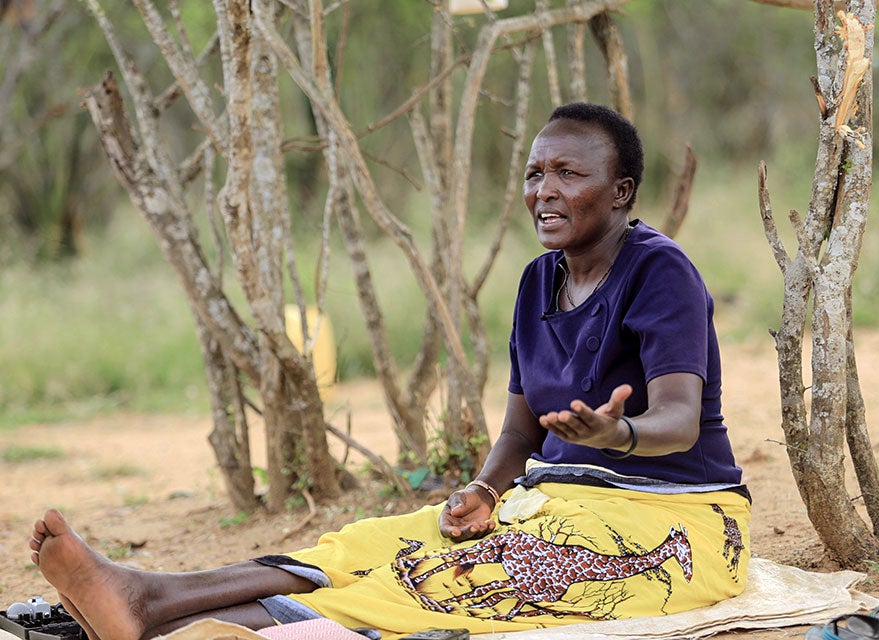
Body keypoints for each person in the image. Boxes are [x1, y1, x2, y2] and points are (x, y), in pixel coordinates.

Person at [28, 102, 750, 640]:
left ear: (620, 192)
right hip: (555, 505)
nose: (544, 190)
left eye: (569, 173)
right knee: (368, 544)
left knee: (441, 583)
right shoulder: (539, 281)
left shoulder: (660, 272)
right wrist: (482, 488)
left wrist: (615, 432)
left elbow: (680, 421)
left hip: (678, 525)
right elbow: (522, 426)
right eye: (534, 174)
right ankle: (147, 596)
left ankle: (192, 625)